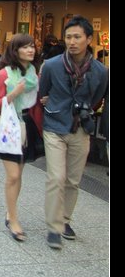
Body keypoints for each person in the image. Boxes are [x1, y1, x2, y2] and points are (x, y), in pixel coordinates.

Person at [39, 15, 108, 249]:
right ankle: (53, 227)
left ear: (89, 39)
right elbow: (43, 91)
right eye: (68, 37)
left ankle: (64, 220)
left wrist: (85, 111)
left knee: (73, 180)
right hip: (54, 124)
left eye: (77, 37)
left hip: (80, 128)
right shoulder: (52, 65)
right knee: (56, 177)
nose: (72, 41)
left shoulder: (100, 71)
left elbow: (97, 98)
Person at [0, 34, 40, 242]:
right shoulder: (4, 74)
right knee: (12, 176)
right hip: (9, 127)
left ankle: (10, 212)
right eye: (25, 47)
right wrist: (14, 93)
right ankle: (13, 219)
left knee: (19, 174)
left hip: (27, 125)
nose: (31, 50)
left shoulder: (33, 73)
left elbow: (34, 100)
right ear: (15, 50)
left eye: (32, 47)